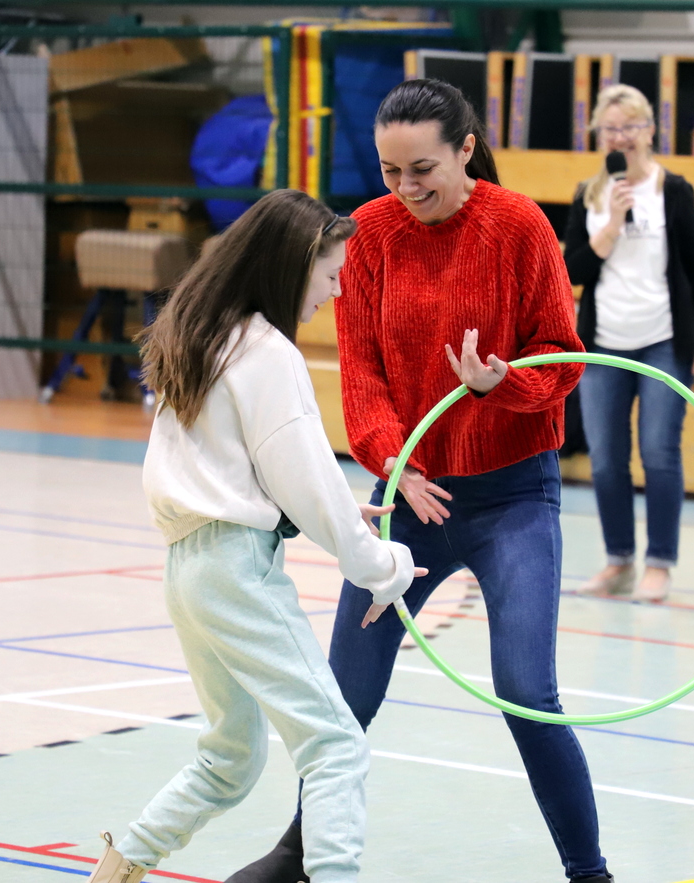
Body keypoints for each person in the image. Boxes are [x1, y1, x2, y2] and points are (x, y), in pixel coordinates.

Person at [230, 79, 614, 883]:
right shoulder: (365, 236)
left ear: (467, 148)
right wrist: (395, 465)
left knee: (526, 692)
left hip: (514, 497)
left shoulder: (520, 226)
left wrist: (500, 382)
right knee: (344, 700)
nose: (405, 189)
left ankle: (590, 874)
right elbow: (360, 375)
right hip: (411, 503)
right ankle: (297, 855)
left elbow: (565, 356)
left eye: (423, 169)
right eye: (389, 170)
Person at [89, 190, 422, 883]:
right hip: (235, 570)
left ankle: (118, 870)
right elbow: (307, 477)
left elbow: (246, 471)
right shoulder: (268, 351)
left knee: (230, 756)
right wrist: (382, 562)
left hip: (190, 571)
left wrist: (315, 512)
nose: (335, 290)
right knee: (335, 746)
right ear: (293, 265)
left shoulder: (206, 334)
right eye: (330, 273)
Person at [564, 84, 694, 603]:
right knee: (607, 459)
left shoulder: (672, 190)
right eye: (611, 129)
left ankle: (660, 562)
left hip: (663, 340)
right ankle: (619, 562)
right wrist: (611, 223)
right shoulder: (587, 195)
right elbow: (572, 271)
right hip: (603, 344)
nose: (621, 137)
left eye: (630, 127)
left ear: (649, 131)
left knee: (659, 450)